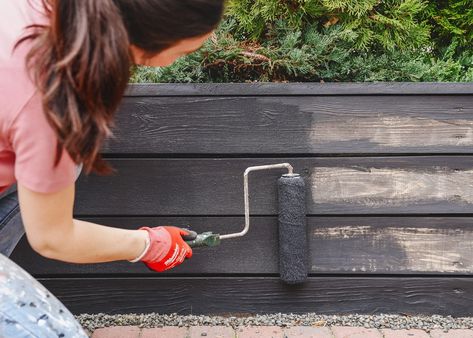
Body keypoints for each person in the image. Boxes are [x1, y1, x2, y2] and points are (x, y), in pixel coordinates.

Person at [0, 0, 224, 336]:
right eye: (183, 51)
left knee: (64, 170)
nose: (184, 58)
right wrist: (149, 244)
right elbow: (53, 237)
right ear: (145, 41)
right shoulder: (51, 94)